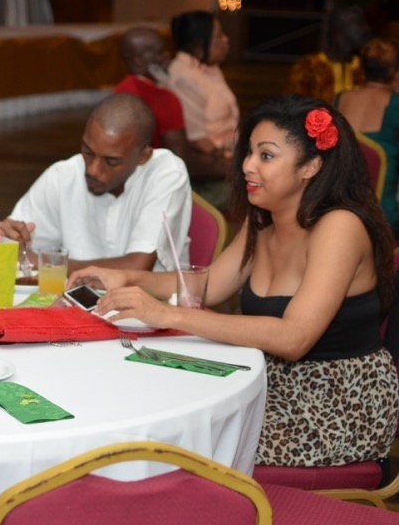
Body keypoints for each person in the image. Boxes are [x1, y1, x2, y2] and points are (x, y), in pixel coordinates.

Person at [71, 96, 399, 467]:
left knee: (174, 438)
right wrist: (126, 277)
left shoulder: (340, 227)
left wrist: (167, 314)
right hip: (267, 383)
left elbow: (293, 338)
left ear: (310, 166)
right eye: (249, 152)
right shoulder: (263, 218)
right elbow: (209, 285)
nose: (247, 165)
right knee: (146, 397)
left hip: (333, 409)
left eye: (266, 156)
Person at [0, 93, 191, 274]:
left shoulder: (166, 173)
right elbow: (16, 248)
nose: (92, 170)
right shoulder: (63, 175)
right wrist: (8, 237)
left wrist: (48, 264)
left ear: (143, 156)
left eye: (111, 161)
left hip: (152, 297)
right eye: (88, 152)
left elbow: (137, 267)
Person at [114, 26, 230, 182]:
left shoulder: (120, 91)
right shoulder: (163, 98)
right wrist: (229, 168)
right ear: (139, 59)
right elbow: (181, 162)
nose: (167, 56)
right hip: (157, 182)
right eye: (159, 52)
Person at [337, 37, 399, 232]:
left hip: (338, 206)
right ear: (395, 73)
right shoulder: (395, 104)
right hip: (382, 214)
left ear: (363, 70)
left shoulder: (341, 98)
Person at [166, 11, 240, 164]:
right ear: (199, 44)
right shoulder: (184, 76)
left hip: (232, 150)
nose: (226, 39)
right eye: (219, 36)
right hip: (211, 161)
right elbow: (198, 141)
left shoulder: (209, 67)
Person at [287, 6, 371, 103]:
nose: (366, 29)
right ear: (339, 29)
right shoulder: (309, 67)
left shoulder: (365, 68)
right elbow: (294, 106)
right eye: (359, 24)